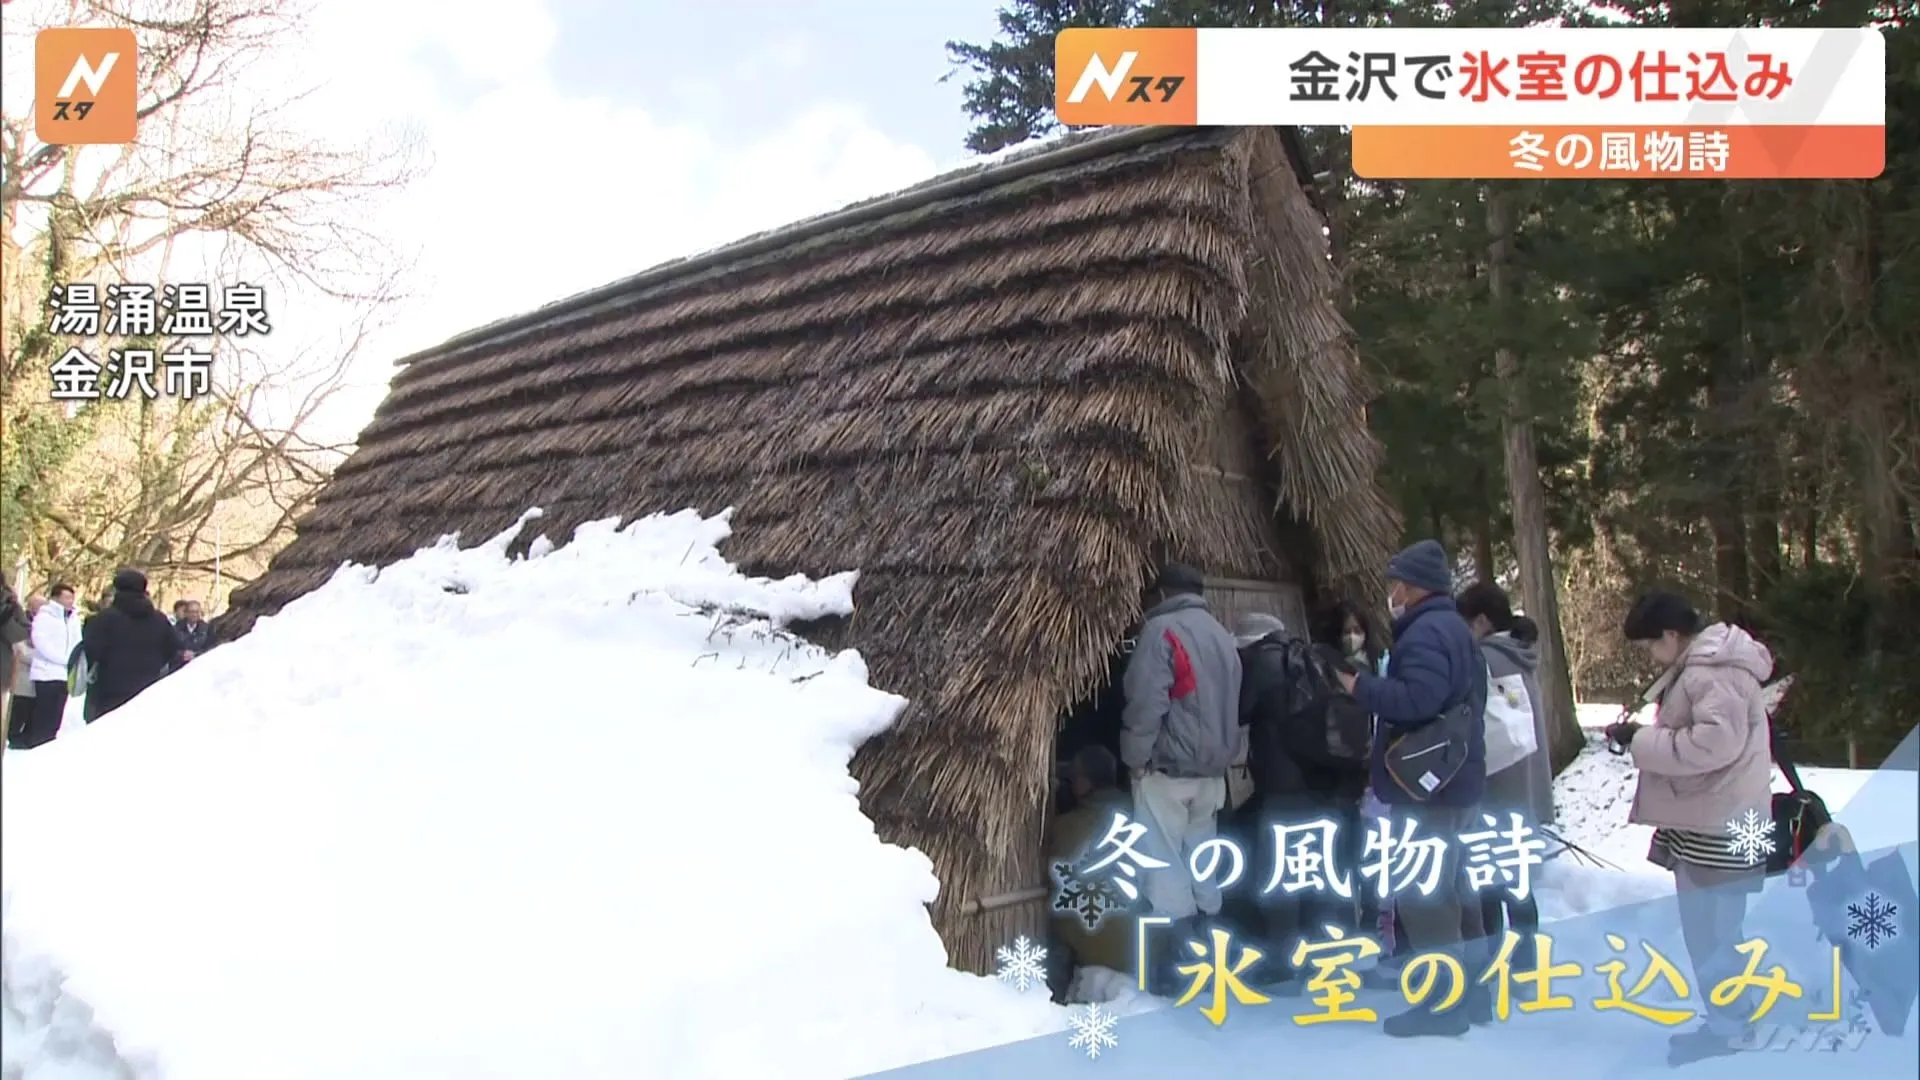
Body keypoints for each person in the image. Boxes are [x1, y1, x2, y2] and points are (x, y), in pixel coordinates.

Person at [1605, 591, 1775, 1065]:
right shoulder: (1713, 664)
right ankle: (1730, 1018)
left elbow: (1715, 743)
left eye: (1649, 646)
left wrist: (1645, 742)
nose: (1648, 656)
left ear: (1671, 636)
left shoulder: (1708, 672)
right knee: (1718, 930)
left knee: (1712, 932)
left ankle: (1730, 1026)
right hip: (1723, 816)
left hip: (1718, 825)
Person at [1335, 539, 1490, 1036]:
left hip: (1427, 789)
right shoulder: (1457, 631)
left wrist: (1359, 687)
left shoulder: (1425, 634)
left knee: (1427, 895)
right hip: (1455, 781)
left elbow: (1416, 699)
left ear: (1415, 585)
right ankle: (1474, 995)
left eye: (1397, 583)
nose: (1392, 592)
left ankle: (1443, 1005)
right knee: (1457, 891)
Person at [1119, 562, 1242, 990]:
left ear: (1162, 593)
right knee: (1203, 862)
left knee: (1166, 866)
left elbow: (1145, 703)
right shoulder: (1222, 636)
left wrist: (1134, 757)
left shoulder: (1162, 632)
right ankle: (1214, 957)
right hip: (1212, 775)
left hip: (1168, 771)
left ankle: (1179, 971)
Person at [1234, 611, 1369, 982]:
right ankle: (1330, 955)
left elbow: (1241, 712)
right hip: (1321, 785)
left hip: (1282, 788)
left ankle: (1281, 964)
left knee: (1279, 876)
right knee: (1320, 872)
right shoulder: (1312, 658)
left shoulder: (1261, 662)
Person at [1456, 581, 1552, 968]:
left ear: (1480, 621)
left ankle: (1493, 963)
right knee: (1519, 884)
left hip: (1494, 790)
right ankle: (1527, 962)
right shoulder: (1522, 655)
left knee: (1488, 886)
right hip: (1525, 789)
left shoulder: (1484, 660)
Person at [1048, 744, 1138, 1000]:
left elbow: (1057, 871)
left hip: (1098, 948)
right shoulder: (1139, 813)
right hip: (1139, 943)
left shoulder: (1070, 826)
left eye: (1074, 778)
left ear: (1084, 783)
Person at [82, 568, 179, 720]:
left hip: (110, 686)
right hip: (149, 685)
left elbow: (91, 649)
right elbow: (173, 647)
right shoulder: (159, 619)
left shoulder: (105, 618)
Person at [19, 583, 80, 748]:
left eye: (71, 597)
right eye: (66, 597)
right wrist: (62, 659)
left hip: (65, 673)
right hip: (46, 671)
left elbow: (77, 641)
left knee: (57, 713)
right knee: (44, 710)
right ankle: (37, 741)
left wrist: (73, 660)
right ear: (56, 598)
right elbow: (42, 643)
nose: (70, 601)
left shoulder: (73, 618)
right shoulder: (44, 617)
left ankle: (49, 741)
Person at [172, 598, 211, 664]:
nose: (194, 615)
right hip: (179, 666)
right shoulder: (176, 629)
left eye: (197, 612)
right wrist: (182, 654)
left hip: (200, 664)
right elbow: (170, 649)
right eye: (192, 612)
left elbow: (210, 648)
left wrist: (196, 654)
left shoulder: (207, 629)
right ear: (186, 613)